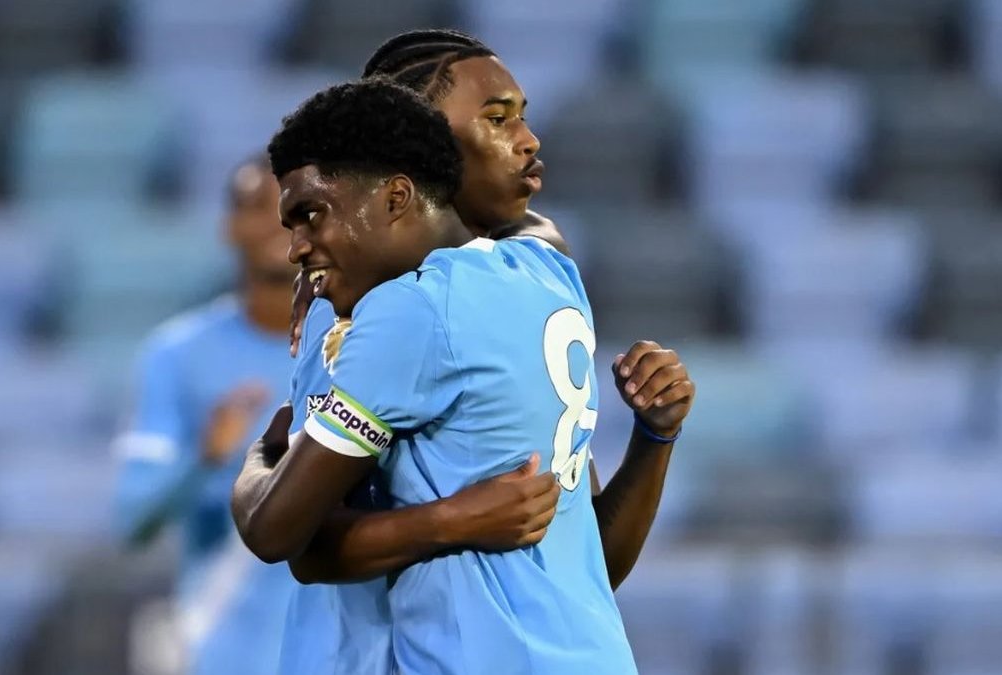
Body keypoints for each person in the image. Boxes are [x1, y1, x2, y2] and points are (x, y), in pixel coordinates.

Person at [233, 29, 695, 674]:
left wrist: (258, 463)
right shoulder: (546, 274)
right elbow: (585, 560)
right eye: (497, 119)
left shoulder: (392, 310)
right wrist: (654, 437)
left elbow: (293, 539)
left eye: (520, 116)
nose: (528, 140)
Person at [112, 157, 299, 675]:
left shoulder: (365, 343)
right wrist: (206, 455)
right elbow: (133, 518)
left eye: (297, 208)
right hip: (225, 650)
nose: (278, 222)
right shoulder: (176, 354)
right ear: (229, 227)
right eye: (258, 206)